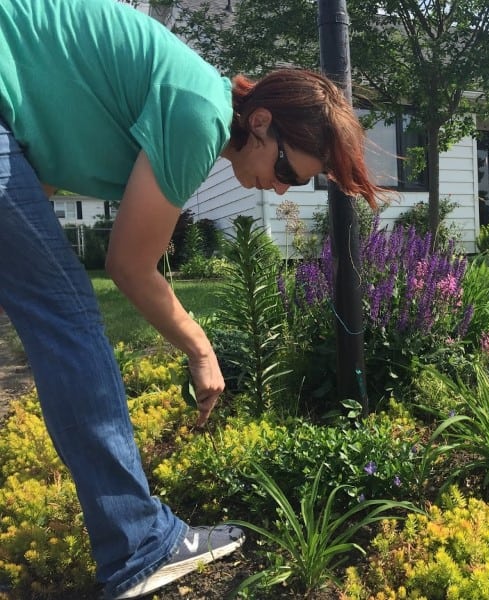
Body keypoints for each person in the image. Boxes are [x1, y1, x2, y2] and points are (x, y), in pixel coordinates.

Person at [0, 0, 381, 598]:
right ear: (259, 121)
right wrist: (201, 349)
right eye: (289, 167)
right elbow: (129, 266)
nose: (282, 186)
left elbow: (39, 149)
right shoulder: (200, 113)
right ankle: (139, 546)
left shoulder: (187, 101)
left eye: (297, 183)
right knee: (68, 315)